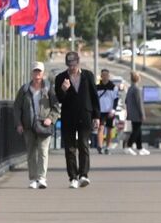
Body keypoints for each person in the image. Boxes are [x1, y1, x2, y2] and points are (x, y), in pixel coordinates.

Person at [53, 50, 99, 187]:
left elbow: (94, 96)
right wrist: (63, 89)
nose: (72, 67)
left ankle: (83, 175)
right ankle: (73, 177)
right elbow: (59, 99)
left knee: (84, 145)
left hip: (85, 115)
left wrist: (96, 116)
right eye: (69, 64)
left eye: (74, 64)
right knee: (70, 148)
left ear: (78, 63)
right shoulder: (61, 78)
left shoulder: (88, 75)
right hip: (68, 116)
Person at [13, 64, 57, 188]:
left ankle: (42, 178)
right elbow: (17, 107)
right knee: (31, 152)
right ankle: (33, 179)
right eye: (35, 72)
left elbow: (56, 106)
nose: (37, 74)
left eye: (39, 72)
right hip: (28, 126)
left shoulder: (48, 88)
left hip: (44, 125)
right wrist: (19, 124)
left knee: (43, 151)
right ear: (32, 73)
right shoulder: (25, 89)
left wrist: (50, 118)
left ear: (43, 73)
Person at [95, 68, 120, 154]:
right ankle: (100, 146)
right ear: (101, 76)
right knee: (100, 128)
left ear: (108, 76)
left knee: (109, 129)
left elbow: (116, 99)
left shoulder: (113, 87)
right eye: (103, 75)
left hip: (110, 111)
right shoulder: (97, 87)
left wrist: (113, 109)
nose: (105, 77)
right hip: (100, 111)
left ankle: (108, 147)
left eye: (106, 75)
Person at [123, 71, 148, 155]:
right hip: (137, 114)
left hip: (131, 113)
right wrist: (142, 114)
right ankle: (128, 146)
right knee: (136, 131)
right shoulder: (137, 89)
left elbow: (126, 101)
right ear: (138, 79)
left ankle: (140, 147)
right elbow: (139, 103)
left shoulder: (130, 88)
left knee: (138, 130)